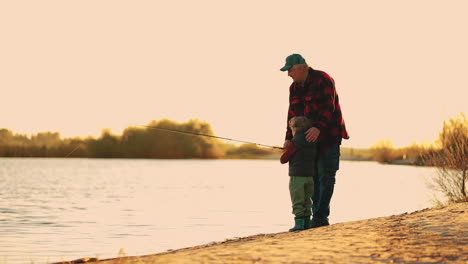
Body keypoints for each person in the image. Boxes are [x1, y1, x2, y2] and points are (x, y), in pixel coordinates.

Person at [280, 54, 349, 228]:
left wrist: (318, 127)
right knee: (312, 178)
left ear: (301, 67)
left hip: (329, 136)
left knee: (326, 176)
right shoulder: (293, 88)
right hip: (306, 142)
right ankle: (313, 218)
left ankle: (319, 217)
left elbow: (328, 106)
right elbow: (291, 115)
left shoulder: (323, 79)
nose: (288, 74)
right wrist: (289, 138)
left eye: (290, 70)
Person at [280, 116, 318, 232]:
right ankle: (307, 223)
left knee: (297, 200)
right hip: (310, 176)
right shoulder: (313, 140)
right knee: (307, 200)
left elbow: (283, 160)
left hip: (297, 177)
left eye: (291, 129)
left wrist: (286, 151)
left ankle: (298, 224)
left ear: (295, 128)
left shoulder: (295, 142)